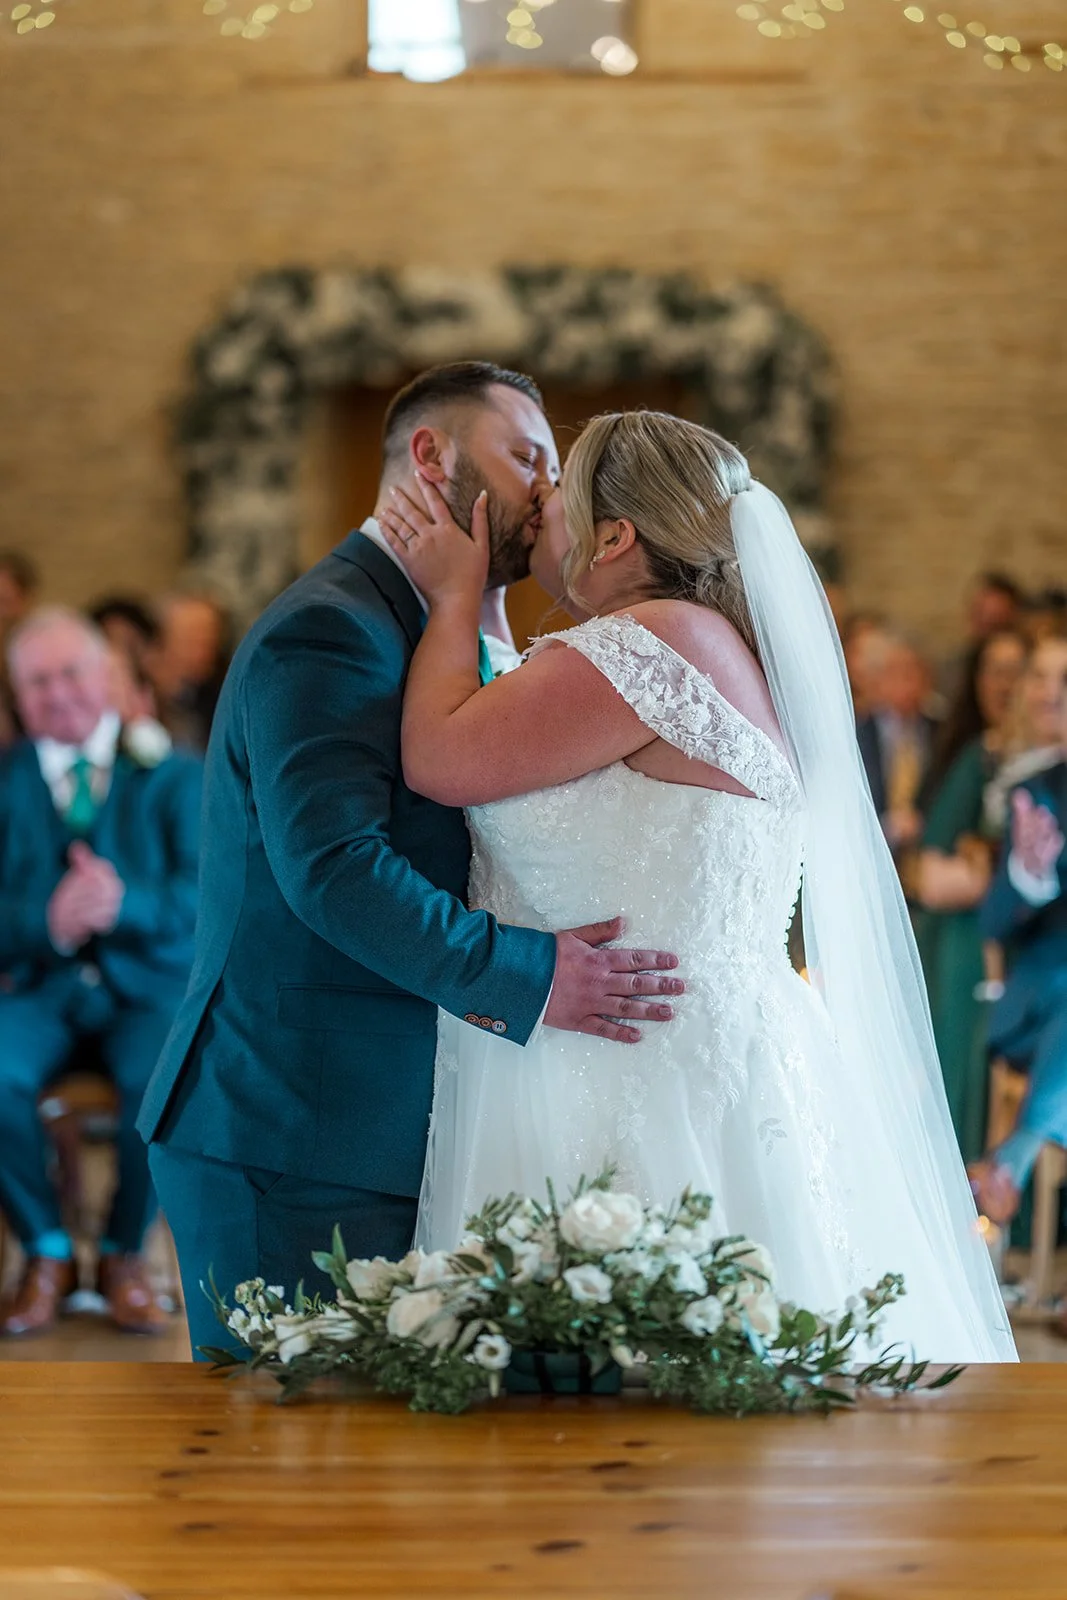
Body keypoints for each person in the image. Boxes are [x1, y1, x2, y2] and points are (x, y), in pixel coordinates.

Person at [380, 408, 1015, 1362]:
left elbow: (438, 755)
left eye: (559, 502)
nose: (538, 514)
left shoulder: (647, 644)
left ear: (615, 536)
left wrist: (451, 596)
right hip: (713, 1046)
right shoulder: (720, 644)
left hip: (622, 1066)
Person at [138, 362, 683, 1359]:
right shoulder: (330, 631)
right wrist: (531, 974)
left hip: (371, 1117)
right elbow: (335, 868)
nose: (547, 492)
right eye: (525, 458)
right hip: (293, 1129)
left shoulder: (430, 619)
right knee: (285, 1472)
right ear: (431, 458)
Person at [0, 609, 202, 1336]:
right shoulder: (6, 781)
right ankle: (45, 1252)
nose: (57, 693)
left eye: (70, 673)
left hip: (144, 991)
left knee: (165, 1072)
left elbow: (207, 894)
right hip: (37, 989)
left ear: (105, 677)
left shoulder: (175, 775)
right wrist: (43, 921)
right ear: (18, 696)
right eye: (36, 681)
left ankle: (123, 1255)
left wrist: (125, 903)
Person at [913, 630, 1029, 1162]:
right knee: (963, 1065)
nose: (1004, 684)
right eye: (993, 670)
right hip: (966, 937)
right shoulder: (979, 756)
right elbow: (928, 869)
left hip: (1027, 941)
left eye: (1017, 670)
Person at [855, 633, 940, 879]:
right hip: (870, 856)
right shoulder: (857, 735)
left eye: (913, 672)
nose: (905, 682)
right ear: (878, 680)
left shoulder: (941, 732)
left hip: (925, 856)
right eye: (895, 672)